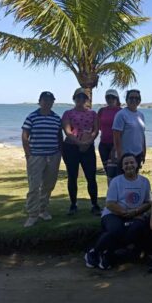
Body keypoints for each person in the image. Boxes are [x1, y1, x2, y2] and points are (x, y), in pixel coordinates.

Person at [84, 153, 152, 270]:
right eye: (126, 163)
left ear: (137, 164)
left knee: (136, 229)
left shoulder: (144, 181)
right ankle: (94, 252)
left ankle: (109, 254)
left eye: (132, 162)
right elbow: (110, 204)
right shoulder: (116, 181)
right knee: (116, 230)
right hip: (113, 214)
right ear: (122, 167)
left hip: (135, 214)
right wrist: (126, 213)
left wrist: (136, 211)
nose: (129, 165)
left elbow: (148, 202)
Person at [21, 91, 63, 227]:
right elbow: (25, 136)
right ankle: (32, 214)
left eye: (50, 100)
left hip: (53, 155)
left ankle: (42, 210)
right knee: (34, 185)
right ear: (40, 102)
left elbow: (59, 136)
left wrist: (60, 153)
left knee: (48, 185)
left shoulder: (56, 118)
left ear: (53, 102)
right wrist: (28, 154)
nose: (47, 103)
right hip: (36, 156)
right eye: (45, 100)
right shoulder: (32, 117)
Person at [61, 87, 100, 216]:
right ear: (74, 98)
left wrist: (88, 142)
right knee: (72, 176)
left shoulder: (93, 114)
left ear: (86, 99)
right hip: (71, 148)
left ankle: (94, 204)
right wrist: (79, 142)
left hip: (88, 148)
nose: (81, 99)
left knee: (91, 177)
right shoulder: (68, 113)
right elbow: (67, 131)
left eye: (83, 97)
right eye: (78, 97)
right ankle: (73, 204)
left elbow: (95, 130)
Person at [112, 89, 146, 168]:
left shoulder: (141, 115)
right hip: (125, 155)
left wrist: (144, 151)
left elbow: (142, 135)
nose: (134, 100)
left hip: (138, 154)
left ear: (140, 100)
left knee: (135, 175)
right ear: (126, 100)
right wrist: (119, 155)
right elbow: (116, 137)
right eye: (131, 98)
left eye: (137, 98)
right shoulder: (121, 115)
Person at [97, 89, 122, 182]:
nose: (110, 99)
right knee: (108, 172)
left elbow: (123, 131)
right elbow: (98, 126)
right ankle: (111, 190)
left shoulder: (121, 112)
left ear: (117, 99)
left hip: (115, 145)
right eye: (108, 97)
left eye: (113, 97)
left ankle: (115, 190)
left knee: (114, 172)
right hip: (103, 145)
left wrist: (116, 147)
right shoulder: (102, 111)